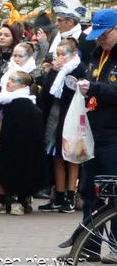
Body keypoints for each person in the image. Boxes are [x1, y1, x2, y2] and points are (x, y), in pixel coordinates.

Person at [75, 9, 117, 260]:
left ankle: (115, 247)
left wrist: (95, 88)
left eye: (105, 34)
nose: (100, 39)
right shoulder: (95, 55)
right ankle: (89, 247)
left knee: (114, 192)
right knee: (90, 191)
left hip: (115, 136)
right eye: (97, 34)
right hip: (93, 134)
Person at [39, 38, 86, 212]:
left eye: (63, 54)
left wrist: (63, 74)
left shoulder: (79, 69)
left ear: (73, 54)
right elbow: (47, 93)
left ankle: (70, 195)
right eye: (57, 54)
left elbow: (73, 93)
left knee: (71, 156)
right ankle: (58, 195)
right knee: (57, 156)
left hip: (72, 116)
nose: (59, 57)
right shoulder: (56, 71)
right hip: (56, 117)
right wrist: (53, 72)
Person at [0, 72, 42, 215]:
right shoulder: (5, 100)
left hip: (21, 144)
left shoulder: (26, 103)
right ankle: (2, 200)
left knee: (20, 170)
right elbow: (1, 121)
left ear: (22, 85)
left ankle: (21, 201)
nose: (9, 82)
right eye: (9, 79)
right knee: (2, 169)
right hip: (5, 141)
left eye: (13, 80)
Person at [50, 0, 92, 64]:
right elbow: (48, 59)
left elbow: (87, 68)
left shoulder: (87, 41)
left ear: (70, 22)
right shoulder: (55, 36)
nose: (56, 24)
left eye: (59, 20)